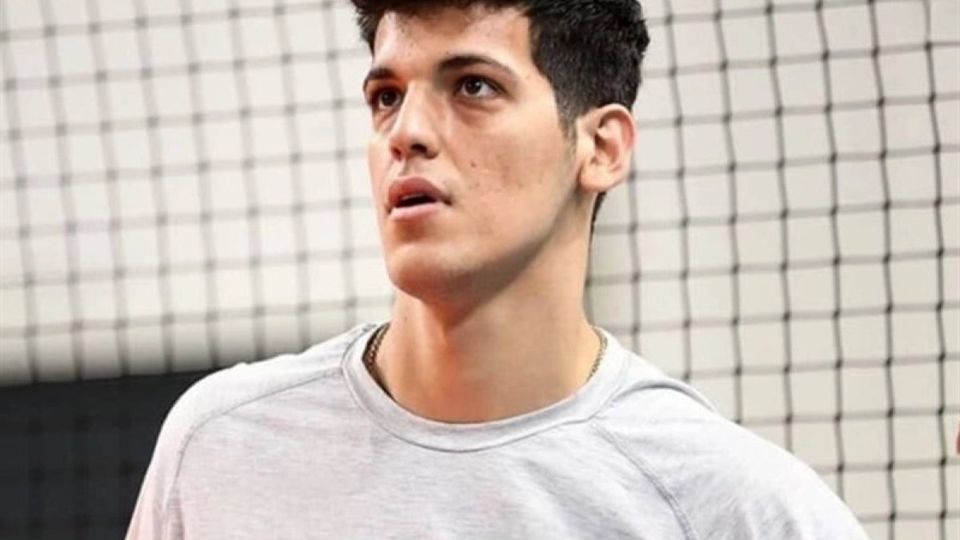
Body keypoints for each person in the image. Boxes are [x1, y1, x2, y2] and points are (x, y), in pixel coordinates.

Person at [127, 1, 869, 538]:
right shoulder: (220, 446)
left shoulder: (734, 508)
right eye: (387, 97)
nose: (407, 132)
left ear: (601, 148)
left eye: (473, 86)